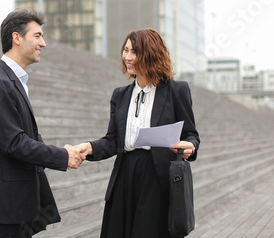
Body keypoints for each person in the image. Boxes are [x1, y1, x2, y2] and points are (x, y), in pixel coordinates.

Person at [0, 9, 83, 238]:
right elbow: (14, 142)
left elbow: (26, 136)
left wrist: (65, 153)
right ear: (17, 38)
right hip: (2, 206)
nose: (43, 43)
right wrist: (62, 156)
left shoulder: (11, 79)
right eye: (37, 36)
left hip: (13, 203)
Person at [75, 28, 200, 238]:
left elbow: (191, 134)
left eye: (135, 51)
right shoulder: (120, 95)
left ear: (152, 54)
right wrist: (89, 147)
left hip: (157, 177)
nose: (128, 57)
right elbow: (113, 140)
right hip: (125, 175)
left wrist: (191, 146)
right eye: (126, 50)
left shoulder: (176, 91)